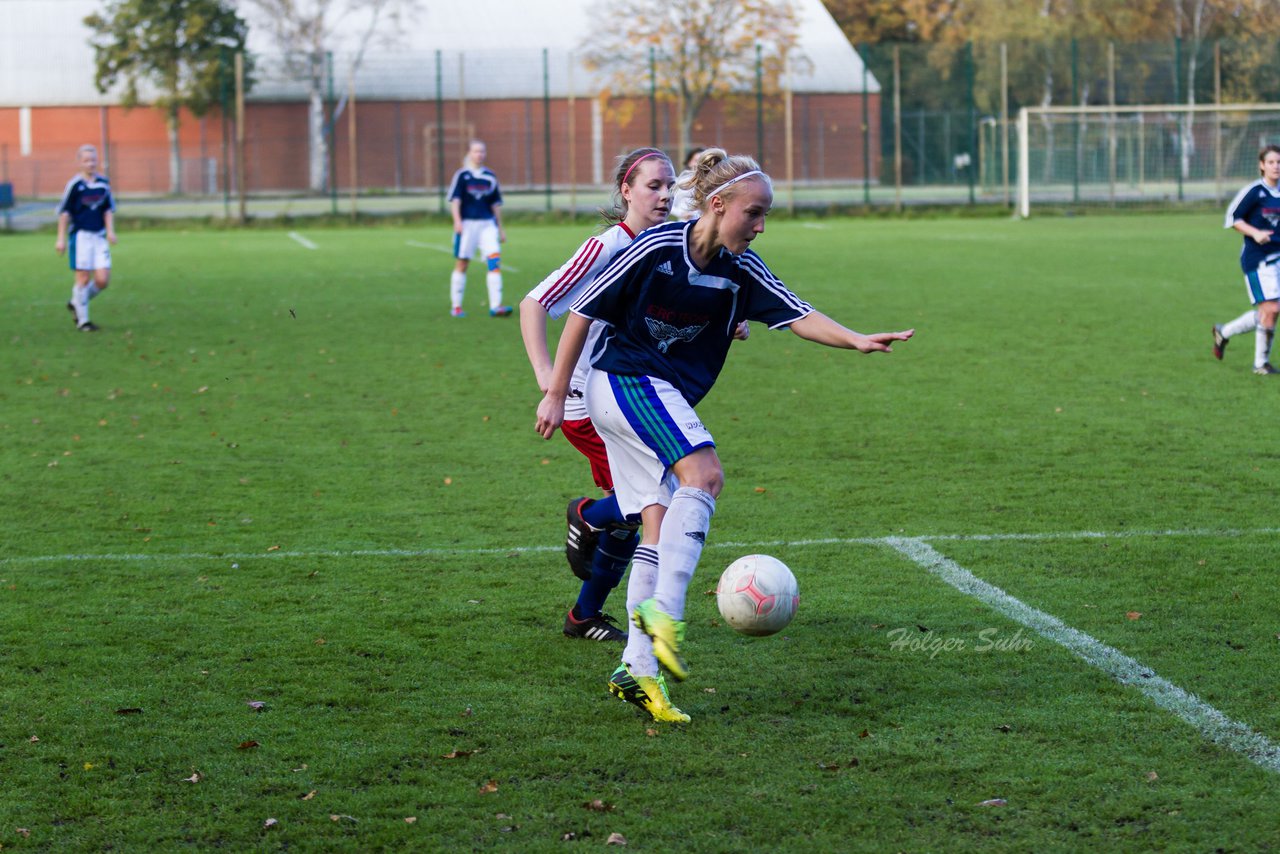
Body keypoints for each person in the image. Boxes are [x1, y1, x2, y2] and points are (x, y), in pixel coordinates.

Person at [534, 149, 913, 723]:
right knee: (704, 474)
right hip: (624, 382)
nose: (760, 227)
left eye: (765, 217)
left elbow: (797, 313)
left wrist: (855, 338)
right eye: (753, 214)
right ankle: (667, 614)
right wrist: (556, 392)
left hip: (651, 394)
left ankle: (638, 671)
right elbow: (582, 313)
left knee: (655, 528)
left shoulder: (741, 269)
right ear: (717, 205)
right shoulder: (654, 248)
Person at [520, 147, 677, 645]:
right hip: (586, 405)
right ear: (626, 191)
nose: (665, 195)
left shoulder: (663, 247)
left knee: (637, 514)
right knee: (648, 502)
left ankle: (583, 615)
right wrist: (550, 379)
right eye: (653, 185)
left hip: (625, 397)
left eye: (670, 186)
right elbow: (534, 303)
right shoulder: (604, 248)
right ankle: (586, 517)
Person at [1213, 144, 1280, 374]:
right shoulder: (1255, 192)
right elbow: (1233, 218)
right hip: (1258, 260)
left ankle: (1224, 332)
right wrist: (1255, 232)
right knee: (1270, 309)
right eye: (1271, 162)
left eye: (1279, 162)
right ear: (1262, 165)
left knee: (1271, 311)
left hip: (1278, 259)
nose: (1276, 166)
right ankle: (1260, 364)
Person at [55, 144, 117, 332]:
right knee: (82, 278)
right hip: (81, 237)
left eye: (93, 160)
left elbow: (107, 210)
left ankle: (76, 302)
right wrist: (61, 239)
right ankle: (84, 321)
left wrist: (111, 231)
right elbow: (65, 213)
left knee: (102, 280)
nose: (91, 163)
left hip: (99, 237)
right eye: (86, 160)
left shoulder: (103, 184)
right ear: (79, 163)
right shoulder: (74, 186)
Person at [447, 140, 511, 318]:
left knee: (494, 261)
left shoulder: (490, 176)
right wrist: (457, 221)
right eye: (476, 151)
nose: (479, 154)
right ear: (470, 153)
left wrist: (500, 228)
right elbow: (456, 200)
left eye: (482, 151)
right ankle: (456, 306)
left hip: (487, 225)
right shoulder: (462, 175)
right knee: (462, 263)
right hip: (467, 225)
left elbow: (495, 204)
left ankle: (496, 305)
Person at [670, 146, 705, 222]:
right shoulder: (681, 182)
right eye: (696, 160)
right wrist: (681, 213)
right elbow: (670, 204)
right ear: (689, 162)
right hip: (683, 224)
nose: (698, 164)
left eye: (702, 161)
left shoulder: (710, 183)